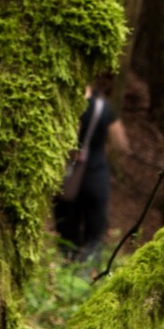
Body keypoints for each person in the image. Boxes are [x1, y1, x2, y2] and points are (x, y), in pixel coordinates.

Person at [51, 82, 126, 260]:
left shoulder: (65, 104)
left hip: (68, 180)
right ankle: (86, 275)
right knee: (94, 234)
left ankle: (68, 272)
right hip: (96, 177)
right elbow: (121, 143)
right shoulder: (104, 107)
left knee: (67, 233)